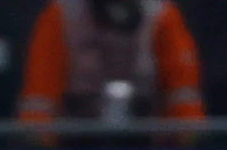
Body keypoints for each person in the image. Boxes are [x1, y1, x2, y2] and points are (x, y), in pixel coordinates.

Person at [17, 0, 206, 134]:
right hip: (73, 143)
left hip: (152, 147)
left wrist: (190, 148)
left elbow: (183, 95)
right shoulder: (61, 14)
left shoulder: (161, 15)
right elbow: (40, 97)